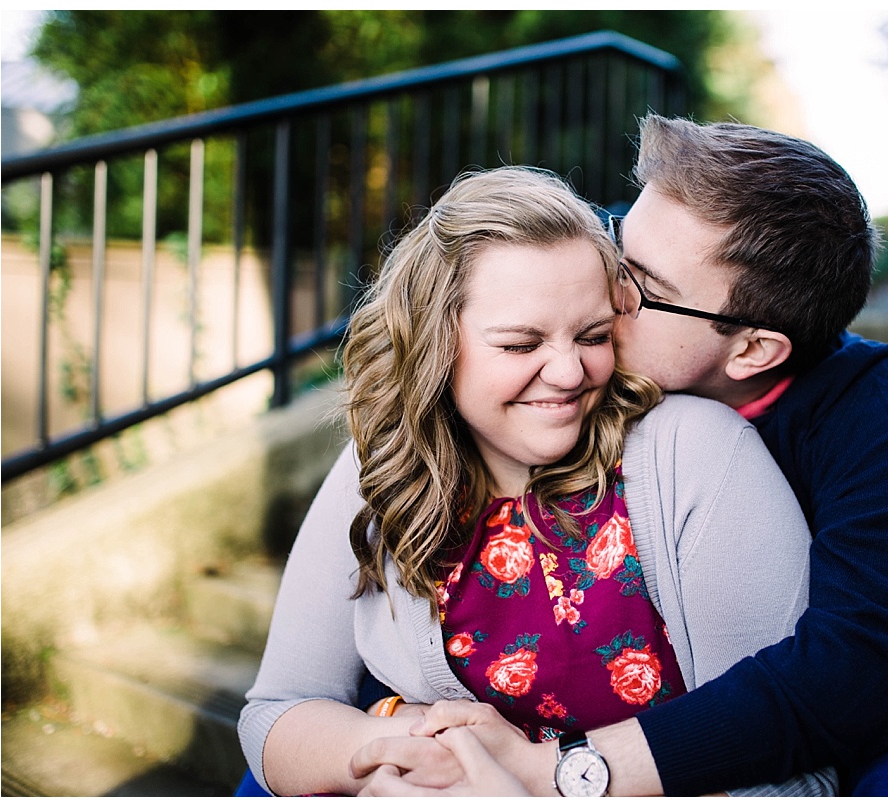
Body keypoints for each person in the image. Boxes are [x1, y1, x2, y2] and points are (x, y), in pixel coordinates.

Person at [347, 115, 888, 797]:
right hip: (547, 673)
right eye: (616, 245)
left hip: (728, 705)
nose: (603, 291)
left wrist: (566, 769)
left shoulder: (867, 406)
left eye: (643, 285)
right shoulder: (571, 370)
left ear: (753, 349)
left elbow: (868, 663)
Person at [237, 165, 838, 796]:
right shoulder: (381, 468)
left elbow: (789, 771)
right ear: (434, 345)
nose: (569, 371)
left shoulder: (699, 456)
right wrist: (393, 750)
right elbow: (279, 710)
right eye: (521, 345)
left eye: (593, 335)